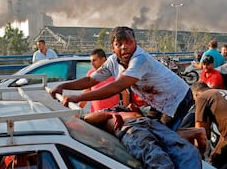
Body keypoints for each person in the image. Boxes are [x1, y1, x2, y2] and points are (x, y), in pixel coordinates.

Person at [50, 26, 193, 131]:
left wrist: (78, 98)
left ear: (135, 43)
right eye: (119, 44)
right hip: (158, 101)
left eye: (129, 42)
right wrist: (63, 86)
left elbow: (117, 86)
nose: (124, 47)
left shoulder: (139, 59)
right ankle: (195, 132)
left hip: (177, 98)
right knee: (151, 131)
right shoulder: (113, 61)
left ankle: (192, 139)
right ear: (112, 48)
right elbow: (90, 80)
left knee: (163, 136)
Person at [78, 48, 123, 113]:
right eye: (91, 61)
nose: (92, 63)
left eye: (94, 60)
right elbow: (86, 92)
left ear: (103, 60)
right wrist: (77, 110)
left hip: (113, 115)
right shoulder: (90, 74)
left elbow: (125, 93)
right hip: (96, 115)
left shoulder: (115, 72)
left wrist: (125, 111)